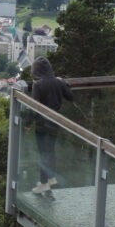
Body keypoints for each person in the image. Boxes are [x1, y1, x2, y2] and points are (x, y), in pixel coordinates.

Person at [29, 56, 74, 198]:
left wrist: (27, 124)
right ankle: (50, 178)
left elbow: (34, 107)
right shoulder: (58, 82)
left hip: (42, 125)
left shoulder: (38, 85)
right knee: (51, 151)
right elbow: (71, 96)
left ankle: (43, 183)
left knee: (43, 154)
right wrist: (64, 83)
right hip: (55, 122)